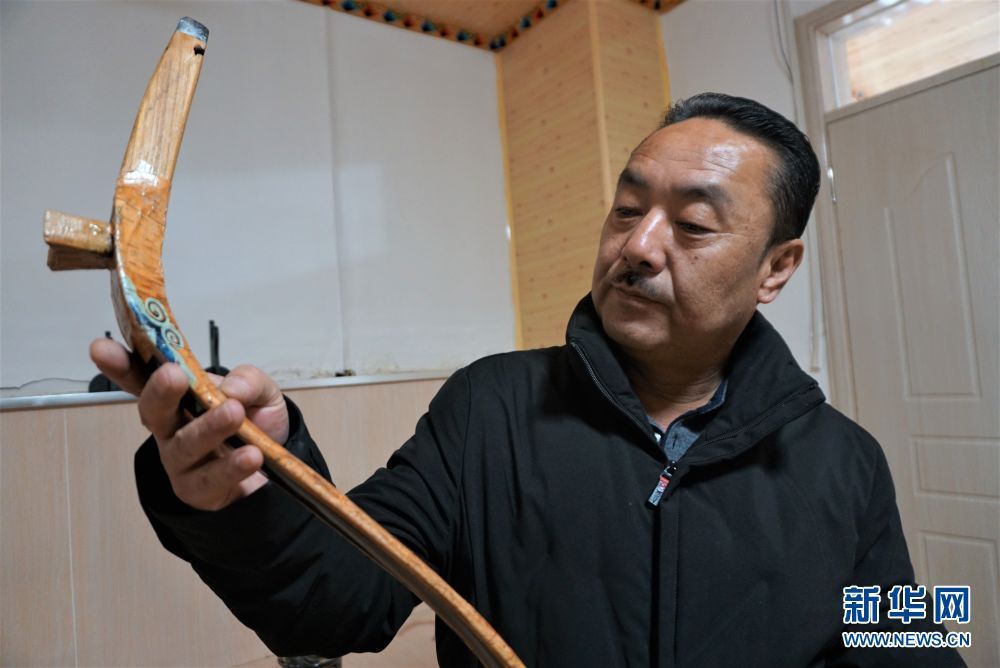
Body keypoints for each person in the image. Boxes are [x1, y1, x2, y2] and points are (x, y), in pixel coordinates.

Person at [92, 93, 964, 667]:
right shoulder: (490, 406)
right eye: (627, 209)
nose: (638, 245)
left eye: (693, 225)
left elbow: (910, 647)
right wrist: (250, 495)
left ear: (777, 268)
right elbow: (334, 602)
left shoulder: (849, 461)